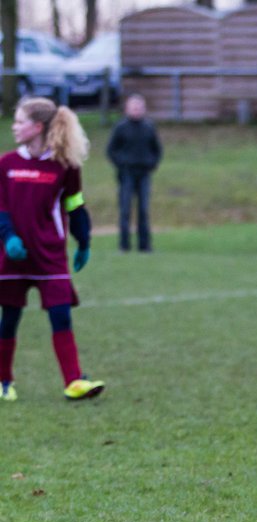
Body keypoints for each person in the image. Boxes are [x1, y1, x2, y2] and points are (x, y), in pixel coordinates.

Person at [0, 97, 103, 402]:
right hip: (12, 256)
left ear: (37, 126)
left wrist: (84, 241)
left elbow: (75, 205)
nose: (14, 127)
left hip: (50, 256)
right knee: (9, 318)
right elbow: (0, 208)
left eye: (19, 121)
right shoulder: (6, 164)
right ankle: (4, 381)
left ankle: (73, 381)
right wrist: (9, 239)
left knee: (61, 316)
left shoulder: (65, 165)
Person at [106, 93, 161, 253]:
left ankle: (144, 246)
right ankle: (124, 245)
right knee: (125, 209)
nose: (136, 110)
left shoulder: (149, 127)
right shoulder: (120, 127)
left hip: (144, 173)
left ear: (143, 109)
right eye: (133, 107)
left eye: (139, 107)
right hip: (126, 173)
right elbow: (111, 150)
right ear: (127, 109)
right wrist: (121, 164)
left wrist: (152, 164)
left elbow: (156, 149)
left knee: (143, 210)